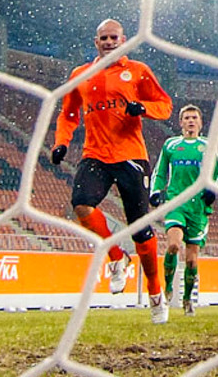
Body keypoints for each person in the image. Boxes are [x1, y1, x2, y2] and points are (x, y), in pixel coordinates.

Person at [51, 18, 173, 324]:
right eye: (103, 38)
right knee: (81, 204)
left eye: (113, 37)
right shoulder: (80, 75)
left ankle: (155, 292)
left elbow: (164, 104)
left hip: (131, 155)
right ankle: (117, 257)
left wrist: (142, 108)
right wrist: (61, 143)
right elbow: (68, 114)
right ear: (96, 42)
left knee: (140, 229)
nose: (108, 42)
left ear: (124, 41)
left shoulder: (139, 71)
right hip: (95, 155)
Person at [150, 104, 218, 317]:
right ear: (181, 122)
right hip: (176, 202)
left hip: (198, 207)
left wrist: (212, 190)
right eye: (187, 118)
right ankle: (167, 289)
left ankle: (187, 298)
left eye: (194, 118)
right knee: (173, 245)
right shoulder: (171, 145)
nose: (191, 121)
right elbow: (160, 171)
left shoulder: (207, 146)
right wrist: (155, 191)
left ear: (200, 123)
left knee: (191, 259)